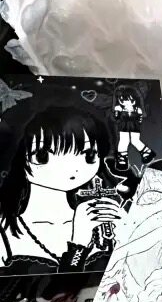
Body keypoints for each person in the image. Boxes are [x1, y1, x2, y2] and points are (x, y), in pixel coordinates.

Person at [0, 106, 122, 274]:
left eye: (88, 155)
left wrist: (130, 235)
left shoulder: (100, 223)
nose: (71, 167)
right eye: (43, 156)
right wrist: (78, 245)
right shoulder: (5, 230)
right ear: (21, 158)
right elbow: (65, 286)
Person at [111, 84, 155, 170]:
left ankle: (148, 153)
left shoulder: (137, 109)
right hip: (123, 126)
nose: (126, 103)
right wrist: (117, 112)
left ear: (135, 100)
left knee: (135, 141)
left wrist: (138, 119)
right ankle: (122, 159)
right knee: (124, 141)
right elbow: (116, 119)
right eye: (122, 100)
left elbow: (139, 119)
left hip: (134, 126)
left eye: (129, 100)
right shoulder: (119, 109)